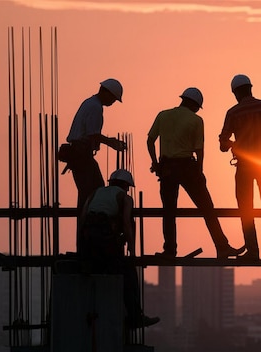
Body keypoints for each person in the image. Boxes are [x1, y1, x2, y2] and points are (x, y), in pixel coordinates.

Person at [147, 87, 243, 259]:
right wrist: (200, 172)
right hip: (187, 168)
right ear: (195, 105)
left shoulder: (163, 115)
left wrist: (155, 163)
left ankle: (169, 251)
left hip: (167, 168)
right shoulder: (196, 120)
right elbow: (199, 150)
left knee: (169, 212)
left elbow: (150, 140)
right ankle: (222, 247)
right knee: (207, 208)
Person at [79, 169, 160, 329]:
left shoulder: (95, 193)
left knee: (95, 272)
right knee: (128, 275)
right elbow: (127, 223)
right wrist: (131, 248)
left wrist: (84, 249)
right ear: (125, 185)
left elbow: (82, 219)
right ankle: (135, 317)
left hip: (88, 241)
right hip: (104, 240)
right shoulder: (124, 197)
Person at [219, 74, 261, 260]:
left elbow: (223, 144)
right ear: (250, 88)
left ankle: (253, 251)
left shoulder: (233, 113)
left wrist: (234, 145)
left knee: (246, 209)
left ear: (236, 93)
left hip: (245, 168)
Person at [66, 78, 128, 252]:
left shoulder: (90, 103)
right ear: (106, 92)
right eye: (113, 99)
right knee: (93, 198)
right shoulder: (95, 107)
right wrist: (112, 143)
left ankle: (88, 242)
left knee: (93, 195)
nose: (113, 103)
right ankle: (88, 244)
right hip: (82, 155)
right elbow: (93, 134)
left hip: (81, 155)